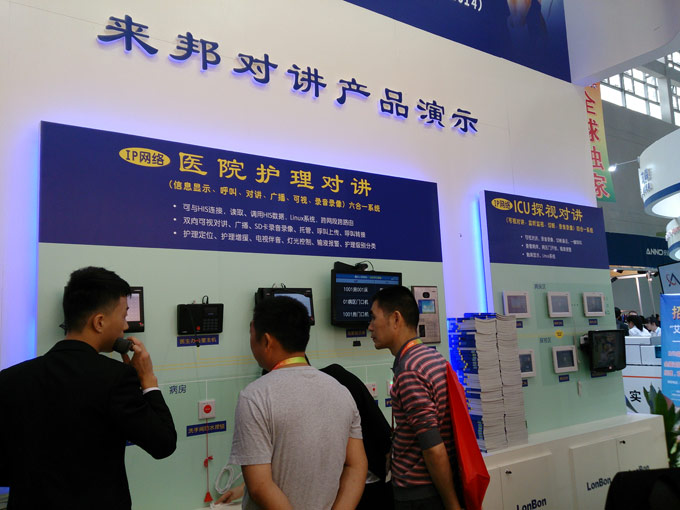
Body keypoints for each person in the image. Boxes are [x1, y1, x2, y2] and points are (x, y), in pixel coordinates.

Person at [0, 267, 177, 510]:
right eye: (123, 316)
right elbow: (163, 443)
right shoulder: (117, 378)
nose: (125, 326)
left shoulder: (10, 378)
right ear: (99, 322)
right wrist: (148, 382)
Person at [228, 297, 367, 510]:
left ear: (266, 341)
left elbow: (260, 486)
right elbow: (357, 466)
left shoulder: (255, 396)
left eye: (251, 334)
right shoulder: (341, 391)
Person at [217, 362, 393, 509]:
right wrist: (244, 488)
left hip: (370, 486)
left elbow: (370, 449)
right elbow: (296, 463)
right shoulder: (315, 393)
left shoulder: (338, 385)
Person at [368, 286, 463, 510]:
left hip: (421, 495)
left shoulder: (410, 370)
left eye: (373, 317)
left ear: (396, 318)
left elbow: (433, 448)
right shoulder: (432, 357)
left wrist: (452, 505)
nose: (370, 326)